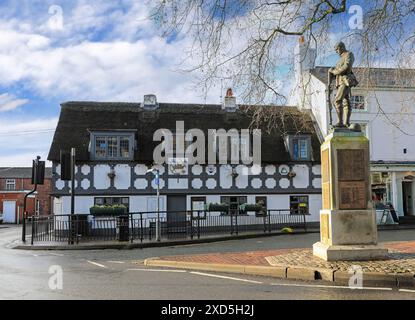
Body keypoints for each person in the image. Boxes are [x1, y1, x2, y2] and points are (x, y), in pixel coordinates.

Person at [329, 42, 358, 128]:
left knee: (337, 101)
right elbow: (337, 73)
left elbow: (346, 67)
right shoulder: (339, 60)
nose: (336, 52)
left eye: (337, 49)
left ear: (341, 47)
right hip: (340, 83)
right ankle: (346, 123)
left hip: (345, 81)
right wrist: (331, 72)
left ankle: (341, 122)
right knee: (346, 102)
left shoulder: (349, 54)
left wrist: (334, 71)